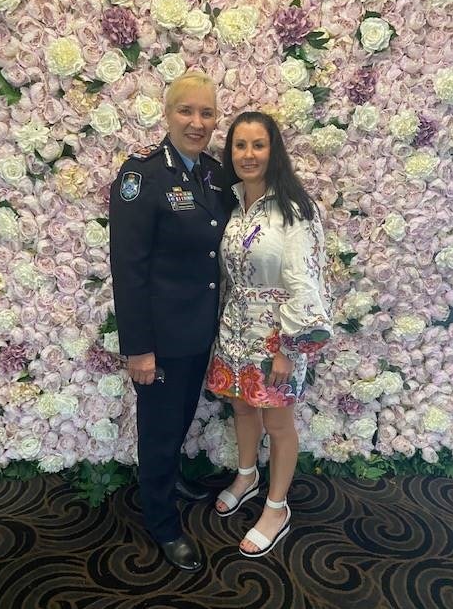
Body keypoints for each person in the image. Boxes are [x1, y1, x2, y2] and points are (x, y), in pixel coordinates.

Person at [109, 71, 227, 572]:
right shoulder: (142, 177)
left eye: (206, 113)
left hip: (198, 330)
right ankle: (160, 520)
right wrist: (138, 348)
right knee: (158, 431)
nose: (196, 122)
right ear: (167, 113)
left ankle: (169, 476)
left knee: (178, 419)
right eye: (187, 111)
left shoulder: (215, 174)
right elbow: (128, 267)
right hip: (158, 338)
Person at [206, 111, 332, 558]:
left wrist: (288, 349)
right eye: (240, 145)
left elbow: (306, 281)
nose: (248, 154)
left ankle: (277, 508)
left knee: (277, 422)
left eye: (258, 144)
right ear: (230, 153)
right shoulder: (235, 204)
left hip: (276, 340)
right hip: (234, 328)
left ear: (273, 150)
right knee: (242, 409)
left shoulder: (295, 208)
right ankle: (247, 475)